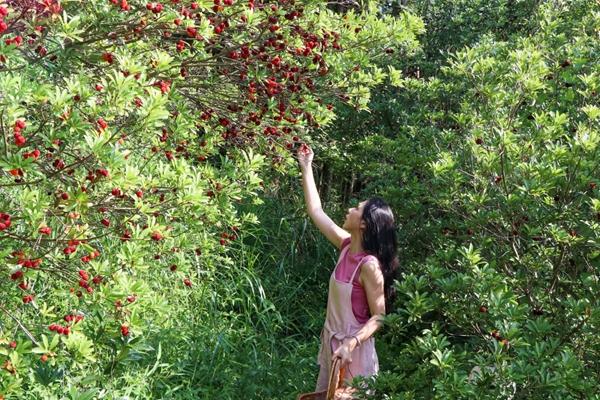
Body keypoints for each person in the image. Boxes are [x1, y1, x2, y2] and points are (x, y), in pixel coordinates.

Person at [297, 143, 399, 391]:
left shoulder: (369, 266)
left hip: (356, 354)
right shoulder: (345, 246)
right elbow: (316, 210)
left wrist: (351, 343)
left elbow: (380, 316)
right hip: (333, 348)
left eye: (357, 208)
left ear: (364, 224)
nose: (350, 209)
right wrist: (307, 166)